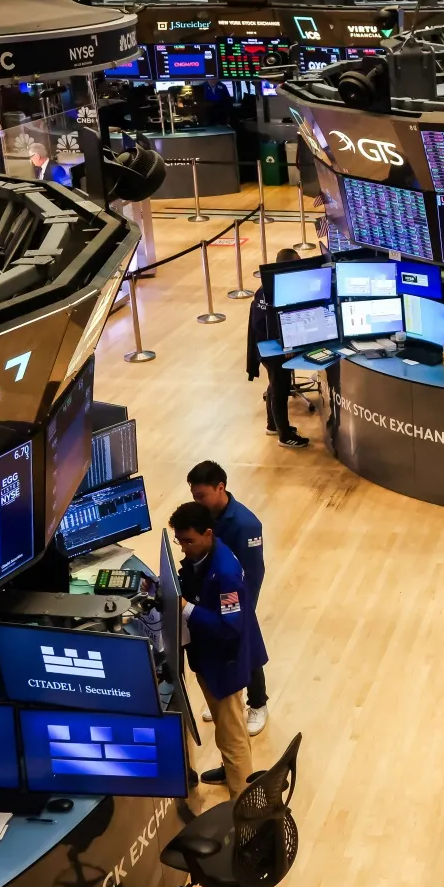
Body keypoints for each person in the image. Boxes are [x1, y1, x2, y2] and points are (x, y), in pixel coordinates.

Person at [169, 501, 257, 791]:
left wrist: (185, 608)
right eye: (179, 540)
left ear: (208, 533)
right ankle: (233, 775)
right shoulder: (205, 555)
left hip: (224, 666)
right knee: (227, 730)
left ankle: (245, 808)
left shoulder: (226, 574)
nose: (183, 547)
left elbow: (229, 627)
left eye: (188, 540)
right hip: (209, 660)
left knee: (232, 739)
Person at [187, 460, 271, 736]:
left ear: (220, 488)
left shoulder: (246, 525)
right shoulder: (206, 515)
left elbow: (253, 572)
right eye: (194, 495)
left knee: (246, 650)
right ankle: (224, 697)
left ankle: (258, 703)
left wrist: (244, 613)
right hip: (213, 594)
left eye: (201, 495)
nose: (196, 501)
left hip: (238, 599)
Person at [247, 248, 310, 449]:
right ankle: (284, 436)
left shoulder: (266, 288)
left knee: (274, 385)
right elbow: (273, 325)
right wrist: (287, 346)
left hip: (265, 348)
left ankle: (273, 425)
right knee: (280, 389)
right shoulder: (277, 292)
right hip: (273, 350)